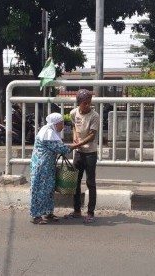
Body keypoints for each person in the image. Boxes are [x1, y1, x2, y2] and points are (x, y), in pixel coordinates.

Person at [29, 112, 78, 225]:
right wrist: (77, 145)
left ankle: (48, 212)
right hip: (41, 167)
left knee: (49, 189)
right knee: (39, 190)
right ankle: (36, 215)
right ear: (55, 124)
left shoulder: (49, 131)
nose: (62, 126)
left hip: (48, 167)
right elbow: (61, 148)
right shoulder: (48, 134)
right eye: (60, 124)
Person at [65, 89, 100, 224]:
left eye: (89, 103)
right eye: (85, 103)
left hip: (90, 153)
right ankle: (77, 210)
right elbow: (74, 126)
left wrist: (76, 145)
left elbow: (92, 135)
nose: (87, 106)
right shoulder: (74, 113)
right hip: (79, 153)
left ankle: (90, 212)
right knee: (75, 182)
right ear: (79, 103)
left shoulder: (94, 116)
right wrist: (75, 138)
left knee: (91, 182)